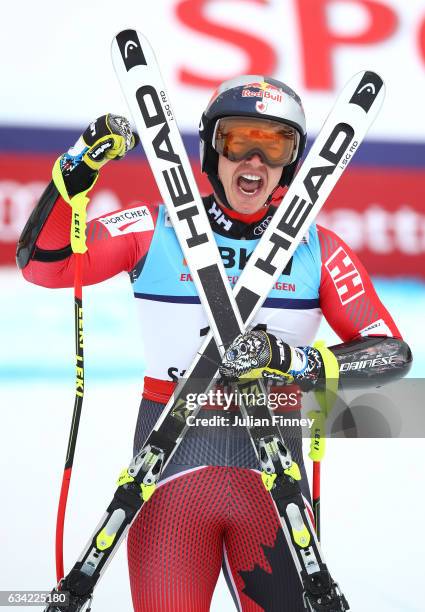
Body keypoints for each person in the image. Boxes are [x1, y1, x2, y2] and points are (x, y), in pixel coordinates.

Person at [17, 76, 411, 611]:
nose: (253, 159)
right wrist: (75, 174)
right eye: (237, 140)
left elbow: (390, 352)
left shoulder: (320, 248)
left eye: (274, 144)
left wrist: (287, 360)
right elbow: (46, 267)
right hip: (168, 481)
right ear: (210, 149)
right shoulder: (152, 229)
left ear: (293, 160)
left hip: (275, 489)